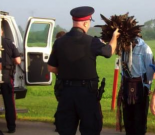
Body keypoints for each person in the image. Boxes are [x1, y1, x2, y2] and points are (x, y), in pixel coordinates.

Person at [47, 6, 120, 135]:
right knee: (90, 130)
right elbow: (109, 52)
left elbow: (51, 67)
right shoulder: (92, 41)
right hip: (87, 94)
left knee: (65, 130)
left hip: (66, 93)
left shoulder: (59, 42)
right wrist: (114, 37)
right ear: (86, 23)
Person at [117, 36, 154, 135]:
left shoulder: (144, 48)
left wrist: (147, 86)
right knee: (128, 119)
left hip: (140, 87)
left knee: (139, 120)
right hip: (126, 86)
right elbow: (122, 69)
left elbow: (150, 69)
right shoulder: (124, 47)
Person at [0, 27, 21, 133]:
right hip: (6, 75)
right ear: (3, 31)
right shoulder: (10, 43)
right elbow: (18, 61)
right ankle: (11, 127)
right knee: (9, 102)